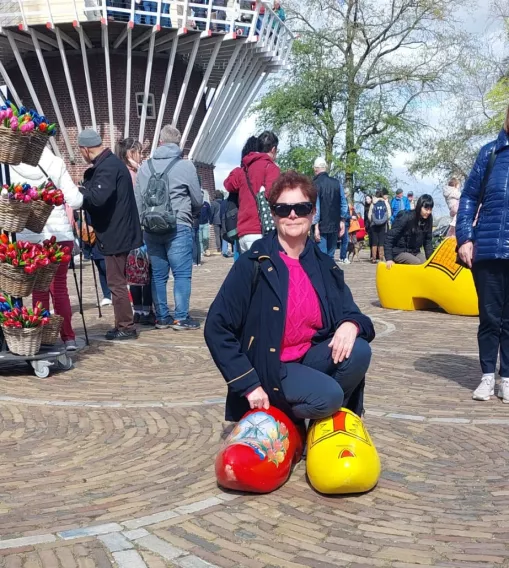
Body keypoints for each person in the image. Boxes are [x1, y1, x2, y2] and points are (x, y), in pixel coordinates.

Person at [205, 171, 375, 424]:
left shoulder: (324, 265)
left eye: (301, 207)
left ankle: (323, 419)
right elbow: (216, 327)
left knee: (359, 350)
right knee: (328, 396)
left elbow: (353, 313)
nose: (293, 215)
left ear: (312, 213)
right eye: (283, 209)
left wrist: (351, 325)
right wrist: (249, 384)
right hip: (271, 366)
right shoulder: (255, 263)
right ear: (273, 214)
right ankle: (290, 416)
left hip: (309, 357)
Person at [457, 110, 509, 403]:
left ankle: (507, 378)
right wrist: (465, 237)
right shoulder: (490, 153)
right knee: (490, 317)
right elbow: (468, 197)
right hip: (488, 248)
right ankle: (488, 376)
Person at [10, 147, 84, 350]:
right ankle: (68, 337)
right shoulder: (56, 163)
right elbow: (76, 201)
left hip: (28, 236)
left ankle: (41, 337)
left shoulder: (11, 165)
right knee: (59, 288)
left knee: (38, 289)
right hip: (59, 235)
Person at [134, 125, 202, 331]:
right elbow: (197, 199)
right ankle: (181, 317)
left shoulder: (145, 167)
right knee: (181, 274)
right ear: (178, 144)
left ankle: (162, 317)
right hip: (178, 224)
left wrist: (142, 223)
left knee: (157, 275)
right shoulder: (186, 166)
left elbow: (138, 200)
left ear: (160, 143)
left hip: (151, 227)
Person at [79, 129, 142, 341]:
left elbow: (98, 198)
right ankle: (122, 323)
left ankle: (126, 325)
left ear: (85, 149)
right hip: (120, 229)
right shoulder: (112, 163)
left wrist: (81, 192)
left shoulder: (107, 167)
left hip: (116, 232)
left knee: (116, 282)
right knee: (117, 281)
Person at [116, 137, 156, 327]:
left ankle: (139, 309)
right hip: (138, 227)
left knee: (134, 270)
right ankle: (145, 310)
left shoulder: (121, 171)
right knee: (144, 270)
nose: (141, 156)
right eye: (138, 152)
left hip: (127, 229)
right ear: (130, 153)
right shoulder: (133, 174)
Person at [231, 131, 280, 253]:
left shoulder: (244, 169)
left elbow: (229, 184)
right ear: (273, 149)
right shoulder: (271, 168)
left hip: (243, 232)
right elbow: (273, 196)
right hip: (262, 230)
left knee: (250, 271)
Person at [384, 194, 434, 268]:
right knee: (417, 263)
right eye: (426, 209)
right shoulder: (406, 217)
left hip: (415, 251)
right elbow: (390, 237)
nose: (428, 212)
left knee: (425, 265)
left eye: (430, 209)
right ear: (420, 207)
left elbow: (428, 241)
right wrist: (389, 258)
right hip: (399, 251)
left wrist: (431, 261)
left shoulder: (429, 219)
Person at [312, 157, 347, 260]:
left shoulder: (315, 184)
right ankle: (331, 276)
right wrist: (342, 221)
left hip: (321, 226)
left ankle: (324, 276)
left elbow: (316, 208)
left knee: (321, 257)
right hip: (335, 224)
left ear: (315, 169)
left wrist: (316, 227)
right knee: (330, 257)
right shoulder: (337, 183)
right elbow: (344, 204)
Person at [368, 190, 391, 263]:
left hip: (374, 225)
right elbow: (389, 214)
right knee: (381, 241)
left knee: (374, 241)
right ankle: (381, 258)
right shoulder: (385, 202)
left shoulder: (373, 203)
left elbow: (369, 215)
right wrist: (385, 220)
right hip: (383, 225)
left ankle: (374, 258)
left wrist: (373, 221)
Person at [199, 191, 212, 257]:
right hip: (198, 224)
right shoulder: (196, 204)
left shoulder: (206, 204)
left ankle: (205, 248)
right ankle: (202, 251)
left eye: (202, 195)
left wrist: (211, 222)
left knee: (206, 237)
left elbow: (210, 213)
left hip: (205, 224)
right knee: (200, 239)